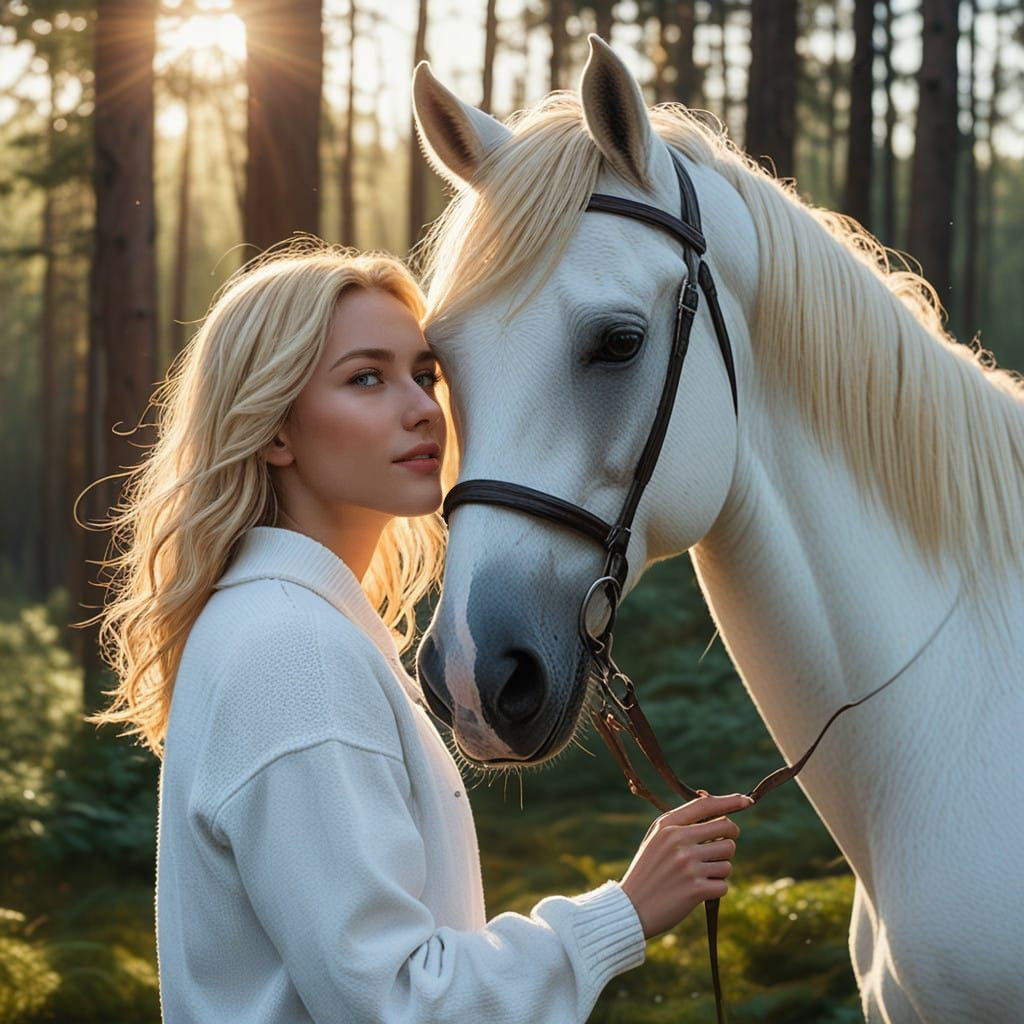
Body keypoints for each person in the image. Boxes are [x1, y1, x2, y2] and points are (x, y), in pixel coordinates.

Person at [83, 240, 752, 1023]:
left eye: (424, 373)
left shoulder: (287, 626)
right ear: (274, 431)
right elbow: (398, 1002)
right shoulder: (291, 649)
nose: (422, 407)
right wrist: (623, 913)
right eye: (366, 377)